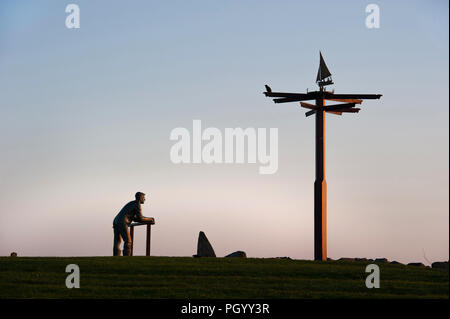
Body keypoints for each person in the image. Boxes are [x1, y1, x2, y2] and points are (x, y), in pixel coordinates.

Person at [113, 192, 153, 256]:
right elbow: (140, 218)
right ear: (140, 198)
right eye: (144, 198)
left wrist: (146, 219)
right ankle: (127, 257)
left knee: (117, 241)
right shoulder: (137, 204)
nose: (145, 199)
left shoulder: (132, 203)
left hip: (116, 221)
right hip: (122, 222)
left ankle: (116, 256)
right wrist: (151, 219)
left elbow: (135, 218)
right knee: (128, 241)